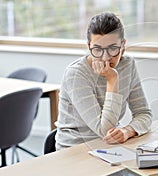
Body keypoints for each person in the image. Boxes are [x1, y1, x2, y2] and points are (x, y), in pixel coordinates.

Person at [55, 12, 152, 150]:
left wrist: (128, 131)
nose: (105, 58)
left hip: (110, 147)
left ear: (123, 45)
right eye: (98, 49)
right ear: (89, 46)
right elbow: (104, 130)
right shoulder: (76, 74)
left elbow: (144, 113)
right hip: (75, 149)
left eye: (113, 48)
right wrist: (112, 79)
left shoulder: (128, 65)